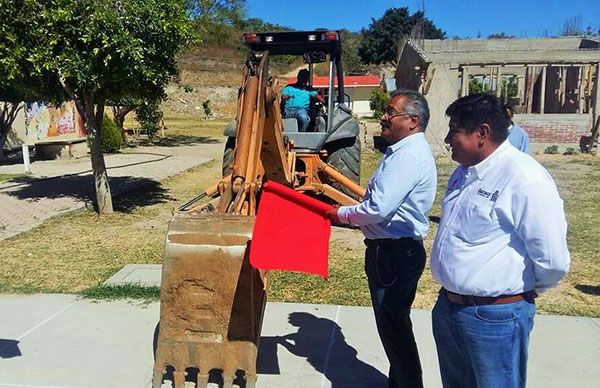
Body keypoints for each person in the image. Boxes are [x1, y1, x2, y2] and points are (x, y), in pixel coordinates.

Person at [431, 93, 570, 388]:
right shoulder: (463, 173)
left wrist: (517, 295)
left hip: (496, 318)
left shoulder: (524, 178)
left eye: (454, 130)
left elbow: (553, 260)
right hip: (450, 309)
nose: (447, 139)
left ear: (482, 133)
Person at [325, 89, 437, 388]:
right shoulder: (402, 152)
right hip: (391, 252)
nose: (383, 117)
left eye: (390, 113)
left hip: (393, 255)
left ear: (413, 121)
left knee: (395, 328)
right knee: (393, 328)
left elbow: (377, 209)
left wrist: (341, 214)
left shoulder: (409, 156)